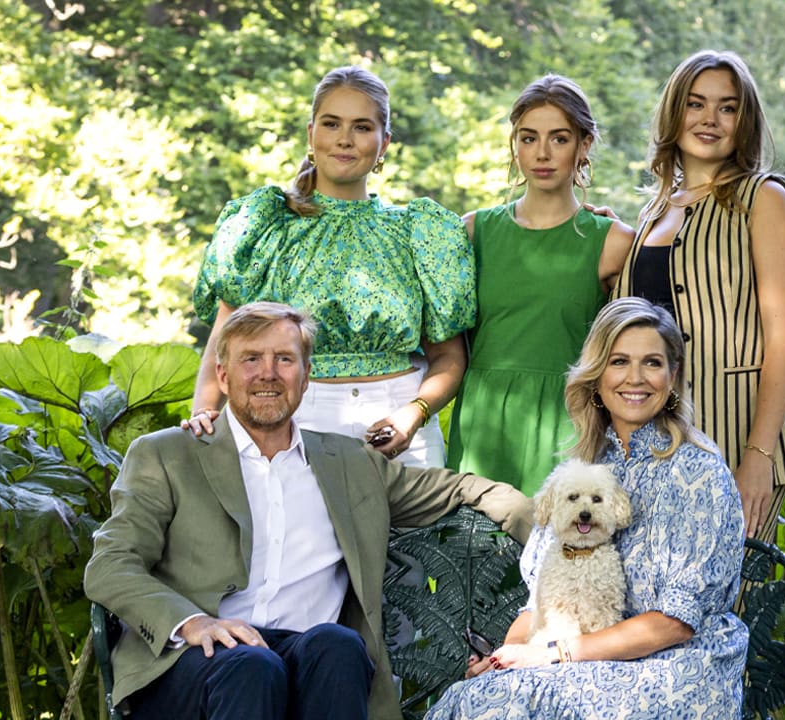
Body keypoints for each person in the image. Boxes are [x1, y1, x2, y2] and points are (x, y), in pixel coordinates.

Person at [84, 302, 532, 720]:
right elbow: (110, 564)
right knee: (252, 667)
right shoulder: (167, 455)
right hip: (192, 662)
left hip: (307, 657)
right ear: (222, 376)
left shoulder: (349, 463)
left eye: (284, 359)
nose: (268, 374)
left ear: (306, 374)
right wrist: (192, 622)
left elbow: (463, 490)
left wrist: (561, 530)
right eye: (251, 359)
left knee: (339, 645)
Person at [427, 297, 747, 719]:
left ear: (673, 376)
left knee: (499, 704)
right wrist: (507, 657)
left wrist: (555, 655)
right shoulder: (585, 470)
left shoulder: (699, 472)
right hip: (585, 660)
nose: (636, 378)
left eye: (652, 363)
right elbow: (539, 599)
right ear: (596, 377)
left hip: (677, 668)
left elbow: (675, 622)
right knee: (479, 694)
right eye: (619, 361)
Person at [185, 66, 473, 467]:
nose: (344, 139)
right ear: (310, 134)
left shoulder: (417, 233)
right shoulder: (269, 226)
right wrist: (204, 413)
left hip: (404, 433)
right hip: (294, 424)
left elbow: (449, 357)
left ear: (384, 142)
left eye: (361, 127)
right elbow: (223, 340)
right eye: (332, 123)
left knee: (420, 533)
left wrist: (415, 413)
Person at [612, 50, 785, 542]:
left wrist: (758, 460)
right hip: (655, 445)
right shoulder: (650, 215)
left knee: (724, 605)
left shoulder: (764, 199)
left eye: (727, 107)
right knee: (659, 605)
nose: (710, 119)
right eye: (696, 104)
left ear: (744, 121)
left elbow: (782, 339)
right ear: (674, 112)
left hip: (737, 434)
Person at [446, 75, 634, 495]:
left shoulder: (614, 241)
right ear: (515, 144)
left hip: (568, 427)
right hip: (484, 424)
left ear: (583, 146)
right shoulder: (473, 231)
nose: (542, 153)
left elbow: (663, 330)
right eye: (529, 138)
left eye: (559, 138)